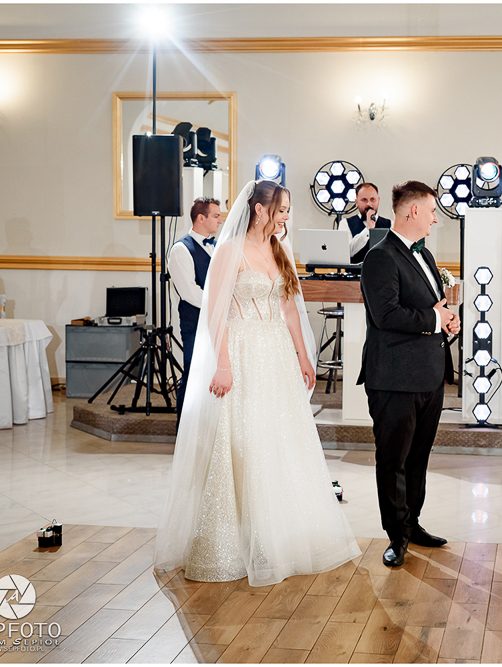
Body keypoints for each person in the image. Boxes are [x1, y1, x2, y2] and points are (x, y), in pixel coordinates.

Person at [155, 180, 360, 586]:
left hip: (276, 352)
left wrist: (303, 355)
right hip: (242, 350)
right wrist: (223, 365)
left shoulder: (278, 249)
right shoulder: (229, 250)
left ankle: (278, 534)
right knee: (242, 439)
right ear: (260, 209)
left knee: (278, 438)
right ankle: (236, 539)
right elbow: (215, 313)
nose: (286, 217)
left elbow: (288, 307)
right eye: (282, 210)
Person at [359, 180, 459, 567]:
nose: (435, 219)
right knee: (394, 460)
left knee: (418, 458)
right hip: (395, 377)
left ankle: (413, 524)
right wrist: (435, 319)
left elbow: (434, 306)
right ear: (413, 211)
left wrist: (447, 320)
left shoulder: (425, 255)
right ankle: (396, 535)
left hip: (429, 373)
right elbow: (386, 315)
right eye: (432, 211)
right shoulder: (380, 257)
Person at [168, 197, 222, 427]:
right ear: (201, 218)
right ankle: (184, 432)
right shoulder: (181, 249)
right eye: (216, 216)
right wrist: (222, 305)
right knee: (193, 376)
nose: (220, 221)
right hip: (195, 324)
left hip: (219, 323)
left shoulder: (218, 246)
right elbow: (189, 292)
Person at [346, 182, 392, 263]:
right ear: (356, 202)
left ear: (378, 201)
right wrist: (368, 229)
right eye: (364, 200)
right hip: (356, 270)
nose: (369, 204)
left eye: (372, 199)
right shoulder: (345, 223)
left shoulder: (391, 224)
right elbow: (347, 252)